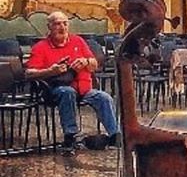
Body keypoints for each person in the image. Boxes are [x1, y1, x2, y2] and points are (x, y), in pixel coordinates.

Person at [25, 11, 119, 155]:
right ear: (49, 27)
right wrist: (51, 70)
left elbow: (94, 64)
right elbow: (28, 73)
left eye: (65, 23)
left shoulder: (78, 41)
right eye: (57, 24)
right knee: (67, 92)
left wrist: (86, 61)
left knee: (103, 97)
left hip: (83, 89)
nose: (62, 27)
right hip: (55, 89)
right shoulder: (40, 47)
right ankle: (71, 135)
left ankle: (114, 135)